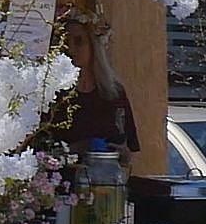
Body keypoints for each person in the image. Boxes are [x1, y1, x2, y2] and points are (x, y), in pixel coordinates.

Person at [52, 10, 140, 164]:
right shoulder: (52, 95)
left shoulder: (115, 93)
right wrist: (76, 149)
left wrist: (121, 154)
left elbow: (129, 149)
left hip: (107, 175)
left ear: (94, 45)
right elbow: (41, 150)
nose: (70, 50)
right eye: (65, 43)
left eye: (79, 42)